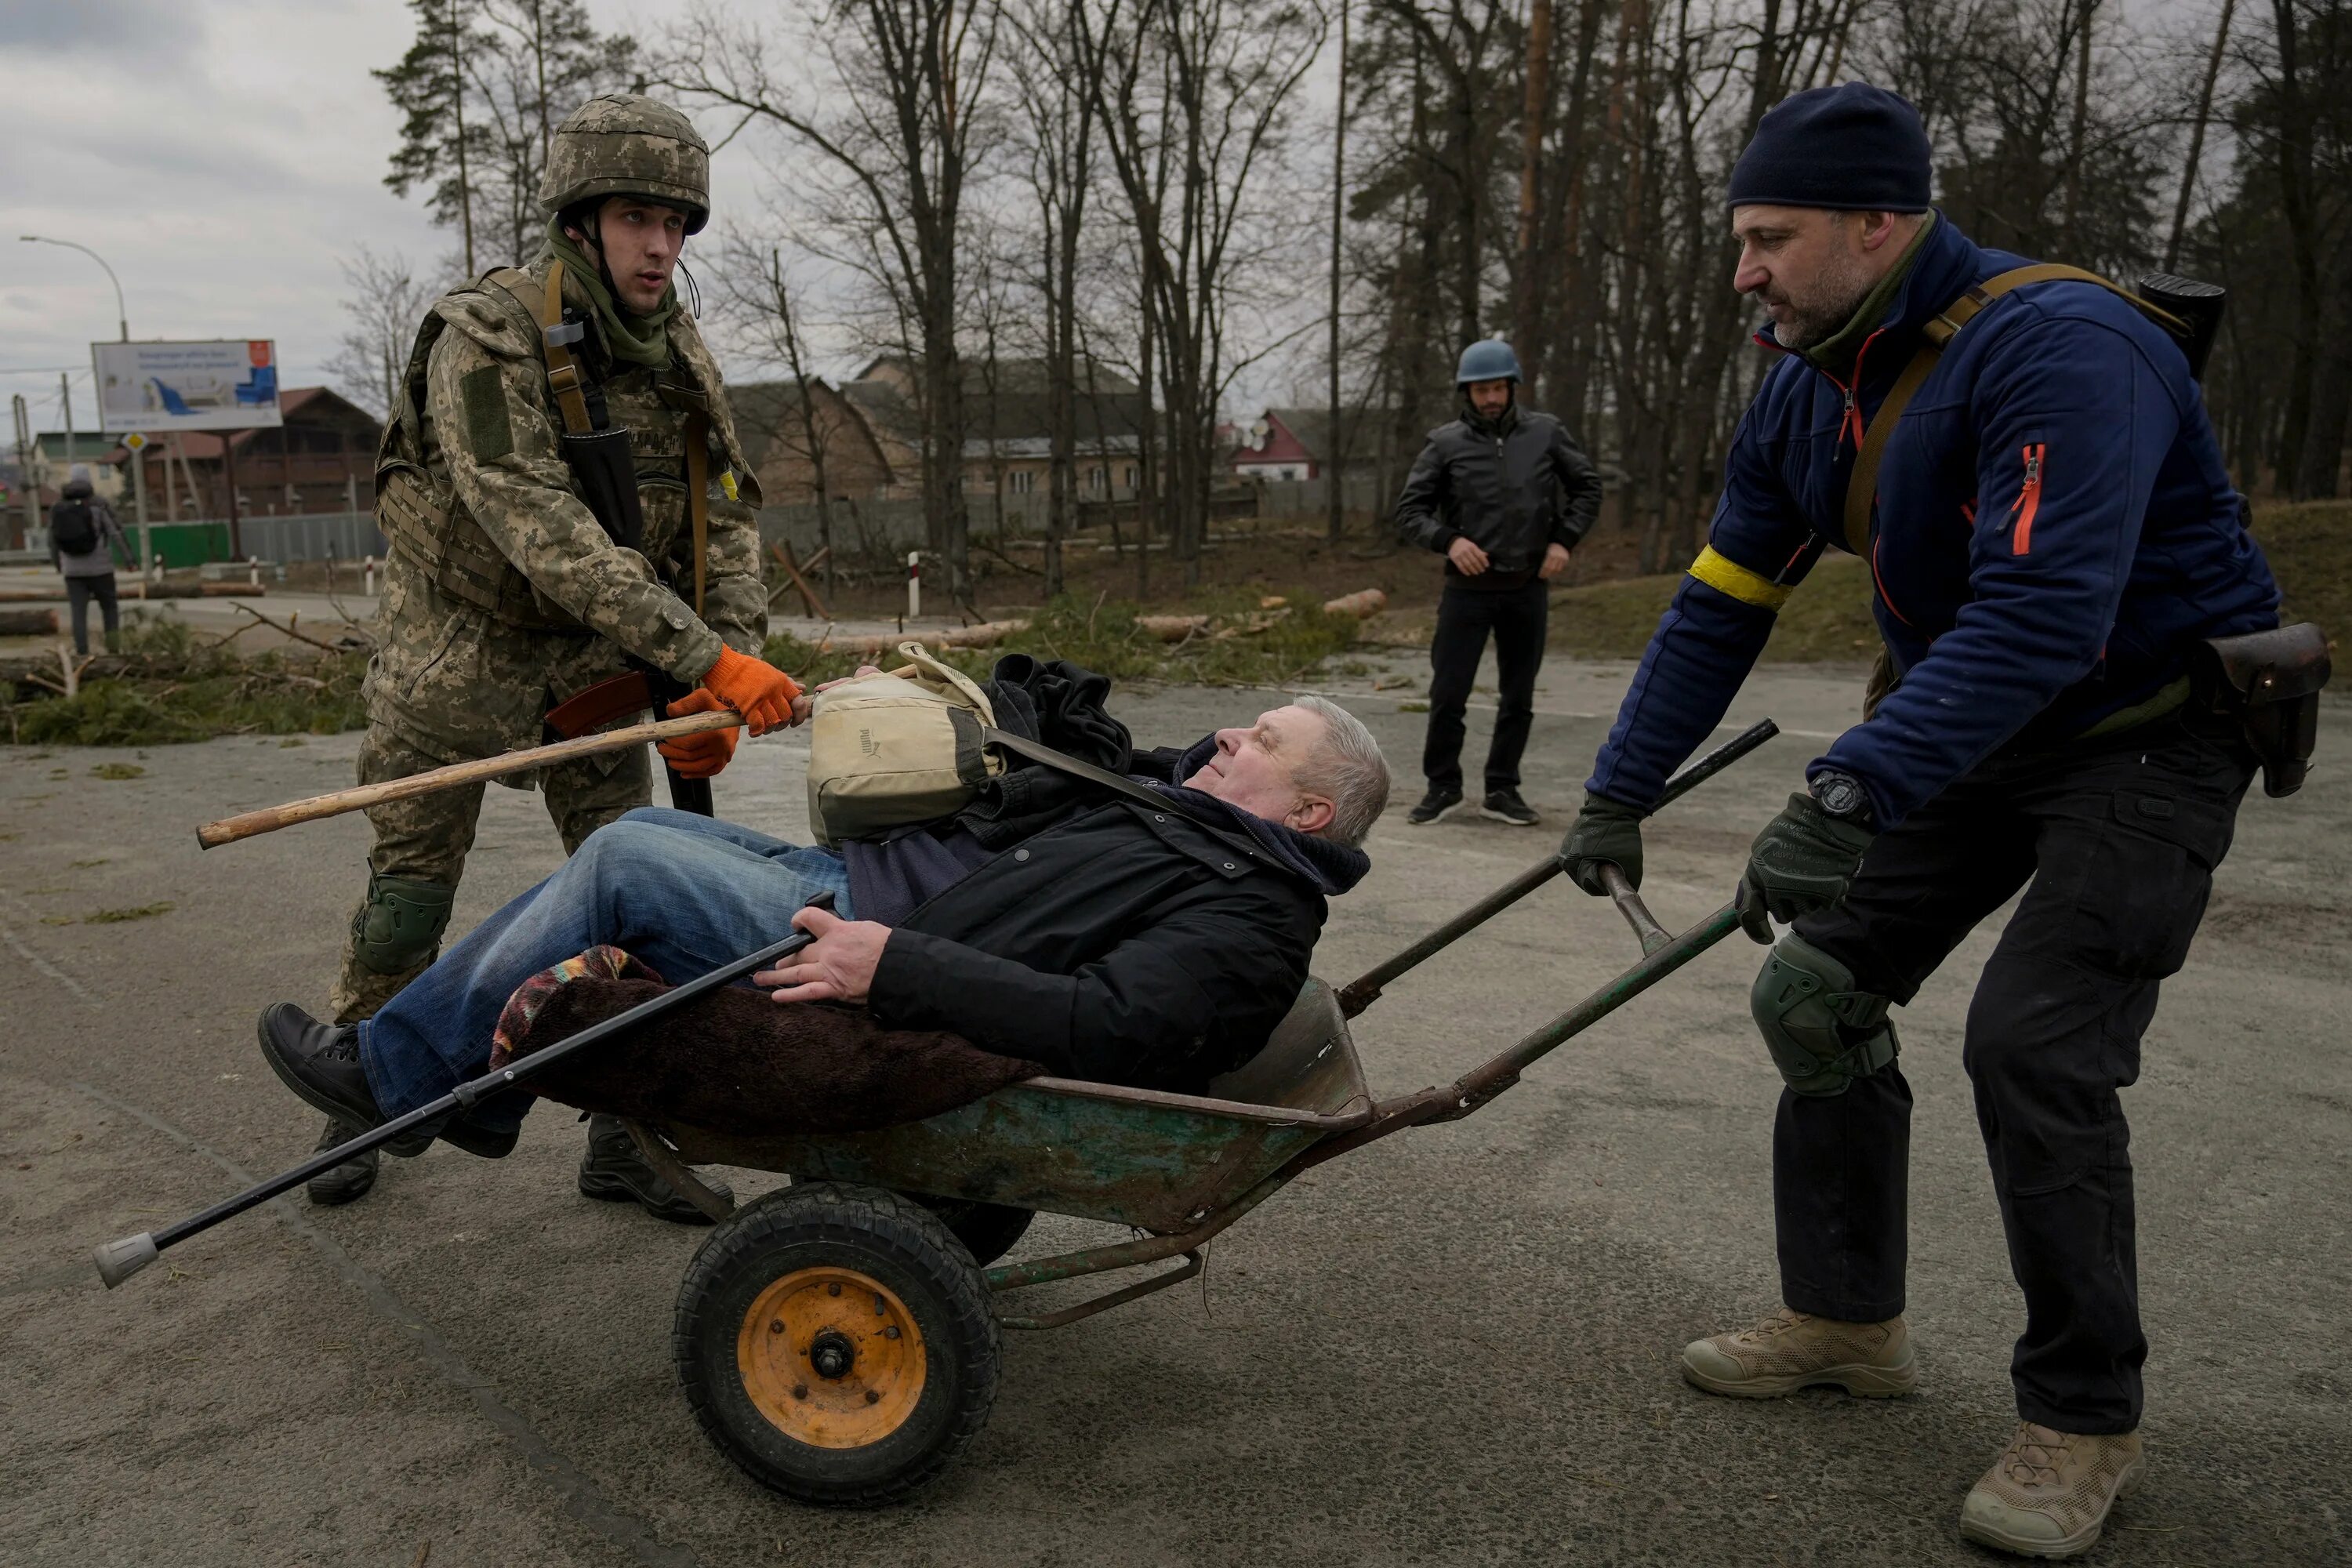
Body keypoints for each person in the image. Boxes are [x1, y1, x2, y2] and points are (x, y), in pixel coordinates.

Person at [1555, 84, 2281, 1559]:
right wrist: (1619, 784)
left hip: (2147, 736)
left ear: (1878, 225)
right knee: (1816, 994)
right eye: (1741, 238)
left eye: (1772, 238)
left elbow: (2044, 615)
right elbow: (1721, 604)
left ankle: (2083, 1419)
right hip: (1989, 726)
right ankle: (1845, 1323)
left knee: (2034, 1045)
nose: (1744, 270)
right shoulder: (1808, 381)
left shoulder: (2068, 347)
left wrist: (1850, 785)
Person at [307, 93, 804, 1220]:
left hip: (599, 658)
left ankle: (627, 1131)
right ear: (579, 220)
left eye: (679, 224)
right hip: (462, 653)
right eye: (638, 218)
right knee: (409, 896)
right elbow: (533, 519)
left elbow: (722, 506)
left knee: (637, 899)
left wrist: (731, 661)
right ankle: (357, 1098)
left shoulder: (679, 349)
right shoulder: (485, 332)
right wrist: (695, 652)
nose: (662, 246)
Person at [254, 696, 1392, 1152]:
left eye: (1262, 740)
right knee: (643, 840)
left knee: (620, 857)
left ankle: (395, 1085)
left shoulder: (1253, 913)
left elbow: (1118, 1024)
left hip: (871, 929)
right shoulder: (1196, 815)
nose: (1229, 738)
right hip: (863, 881)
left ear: (1309, 811)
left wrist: (892, 966)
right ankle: (464, 1096)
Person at [1395, 340, 1602, 828]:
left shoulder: (1547, 433)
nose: (1490, 398)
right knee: (1449, 693)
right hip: (1467, 591)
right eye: (1480, 390)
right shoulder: (1444, 443)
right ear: (1466, 393)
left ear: (1512, 387)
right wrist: (1449, 541)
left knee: (1518, 696)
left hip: (1527, 586)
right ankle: (1442, 787)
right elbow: (1410, 511)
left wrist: (1563, 541)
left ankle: (1502, 789)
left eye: (1497, 388)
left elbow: (1588, 487)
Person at [49, 465, 129, 655]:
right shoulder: (99, 504)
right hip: (101, 569)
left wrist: (58, 564)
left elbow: (51, 539)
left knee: (78, 613)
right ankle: (113, 650)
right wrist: (129, 560)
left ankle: (82, 653)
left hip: (73, 571)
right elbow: (115, 532)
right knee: (109, 608)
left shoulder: (58, 507)